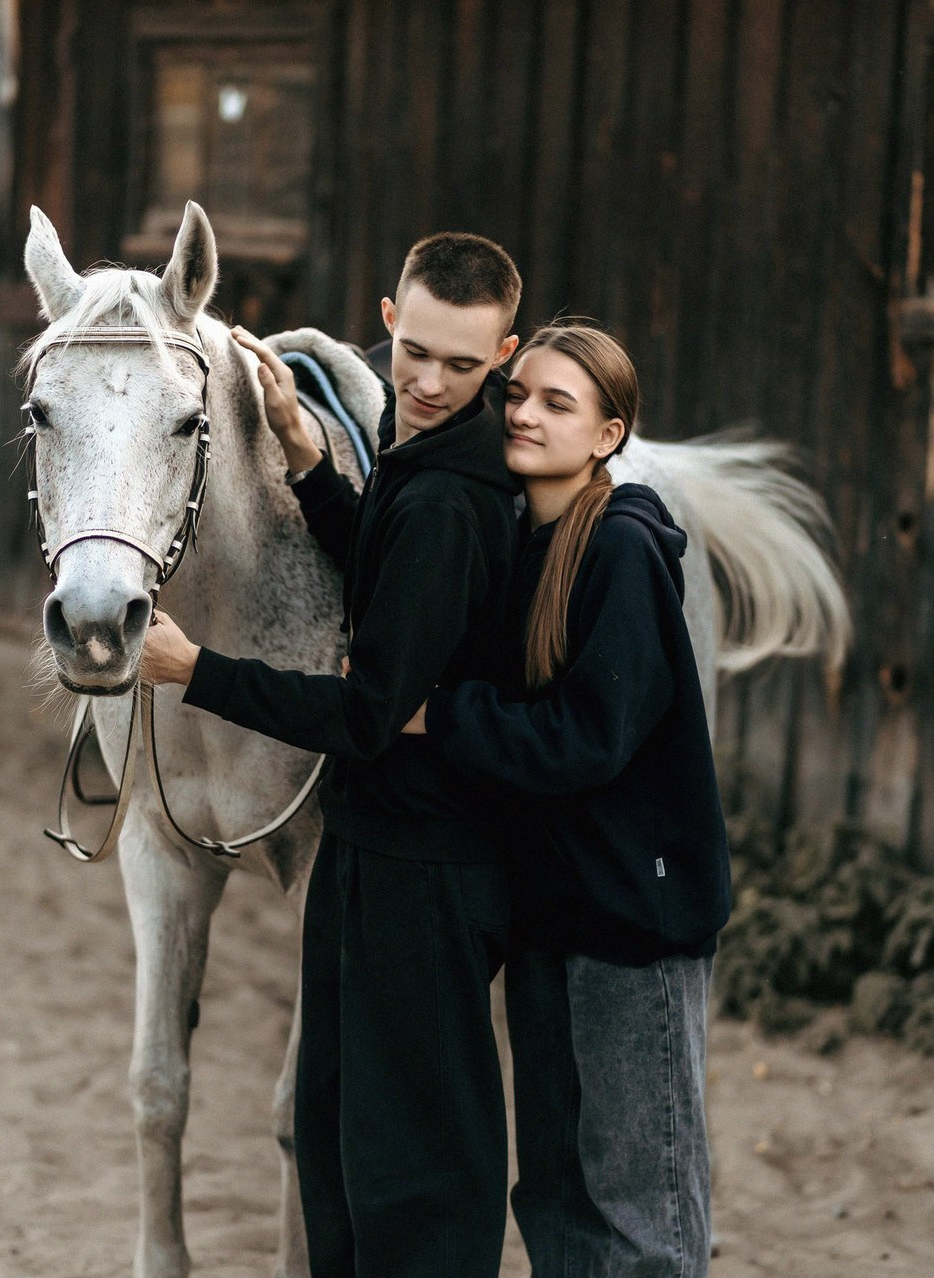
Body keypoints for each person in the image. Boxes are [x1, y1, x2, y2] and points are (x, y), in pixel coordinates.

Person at [141, 232, 523, 1278]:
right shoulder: (419, 456)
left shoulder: (451, 495)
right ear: (389, 320)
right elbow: (386, 574)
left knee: (409, 1163)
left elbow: (366, 714)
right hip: (372, 847)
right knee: (338, 1134)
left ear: (503, 354)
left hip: (426, 867)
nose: (431, 382)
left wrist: (197, 670)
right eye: (417, 353)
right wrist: (310, 462)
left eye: (462, 364)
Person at [402, 322, 732, 1278]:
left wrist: (438, 720)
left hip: (634, 921)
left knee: (641, 1206)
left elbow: (587, 740)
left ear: (608, 435)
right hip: (551, 915)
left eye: (559, 403)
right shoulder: (522, 543)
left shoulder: (622, 549)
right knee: (552, 1194)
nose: (526, 414)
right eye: (521, 394)